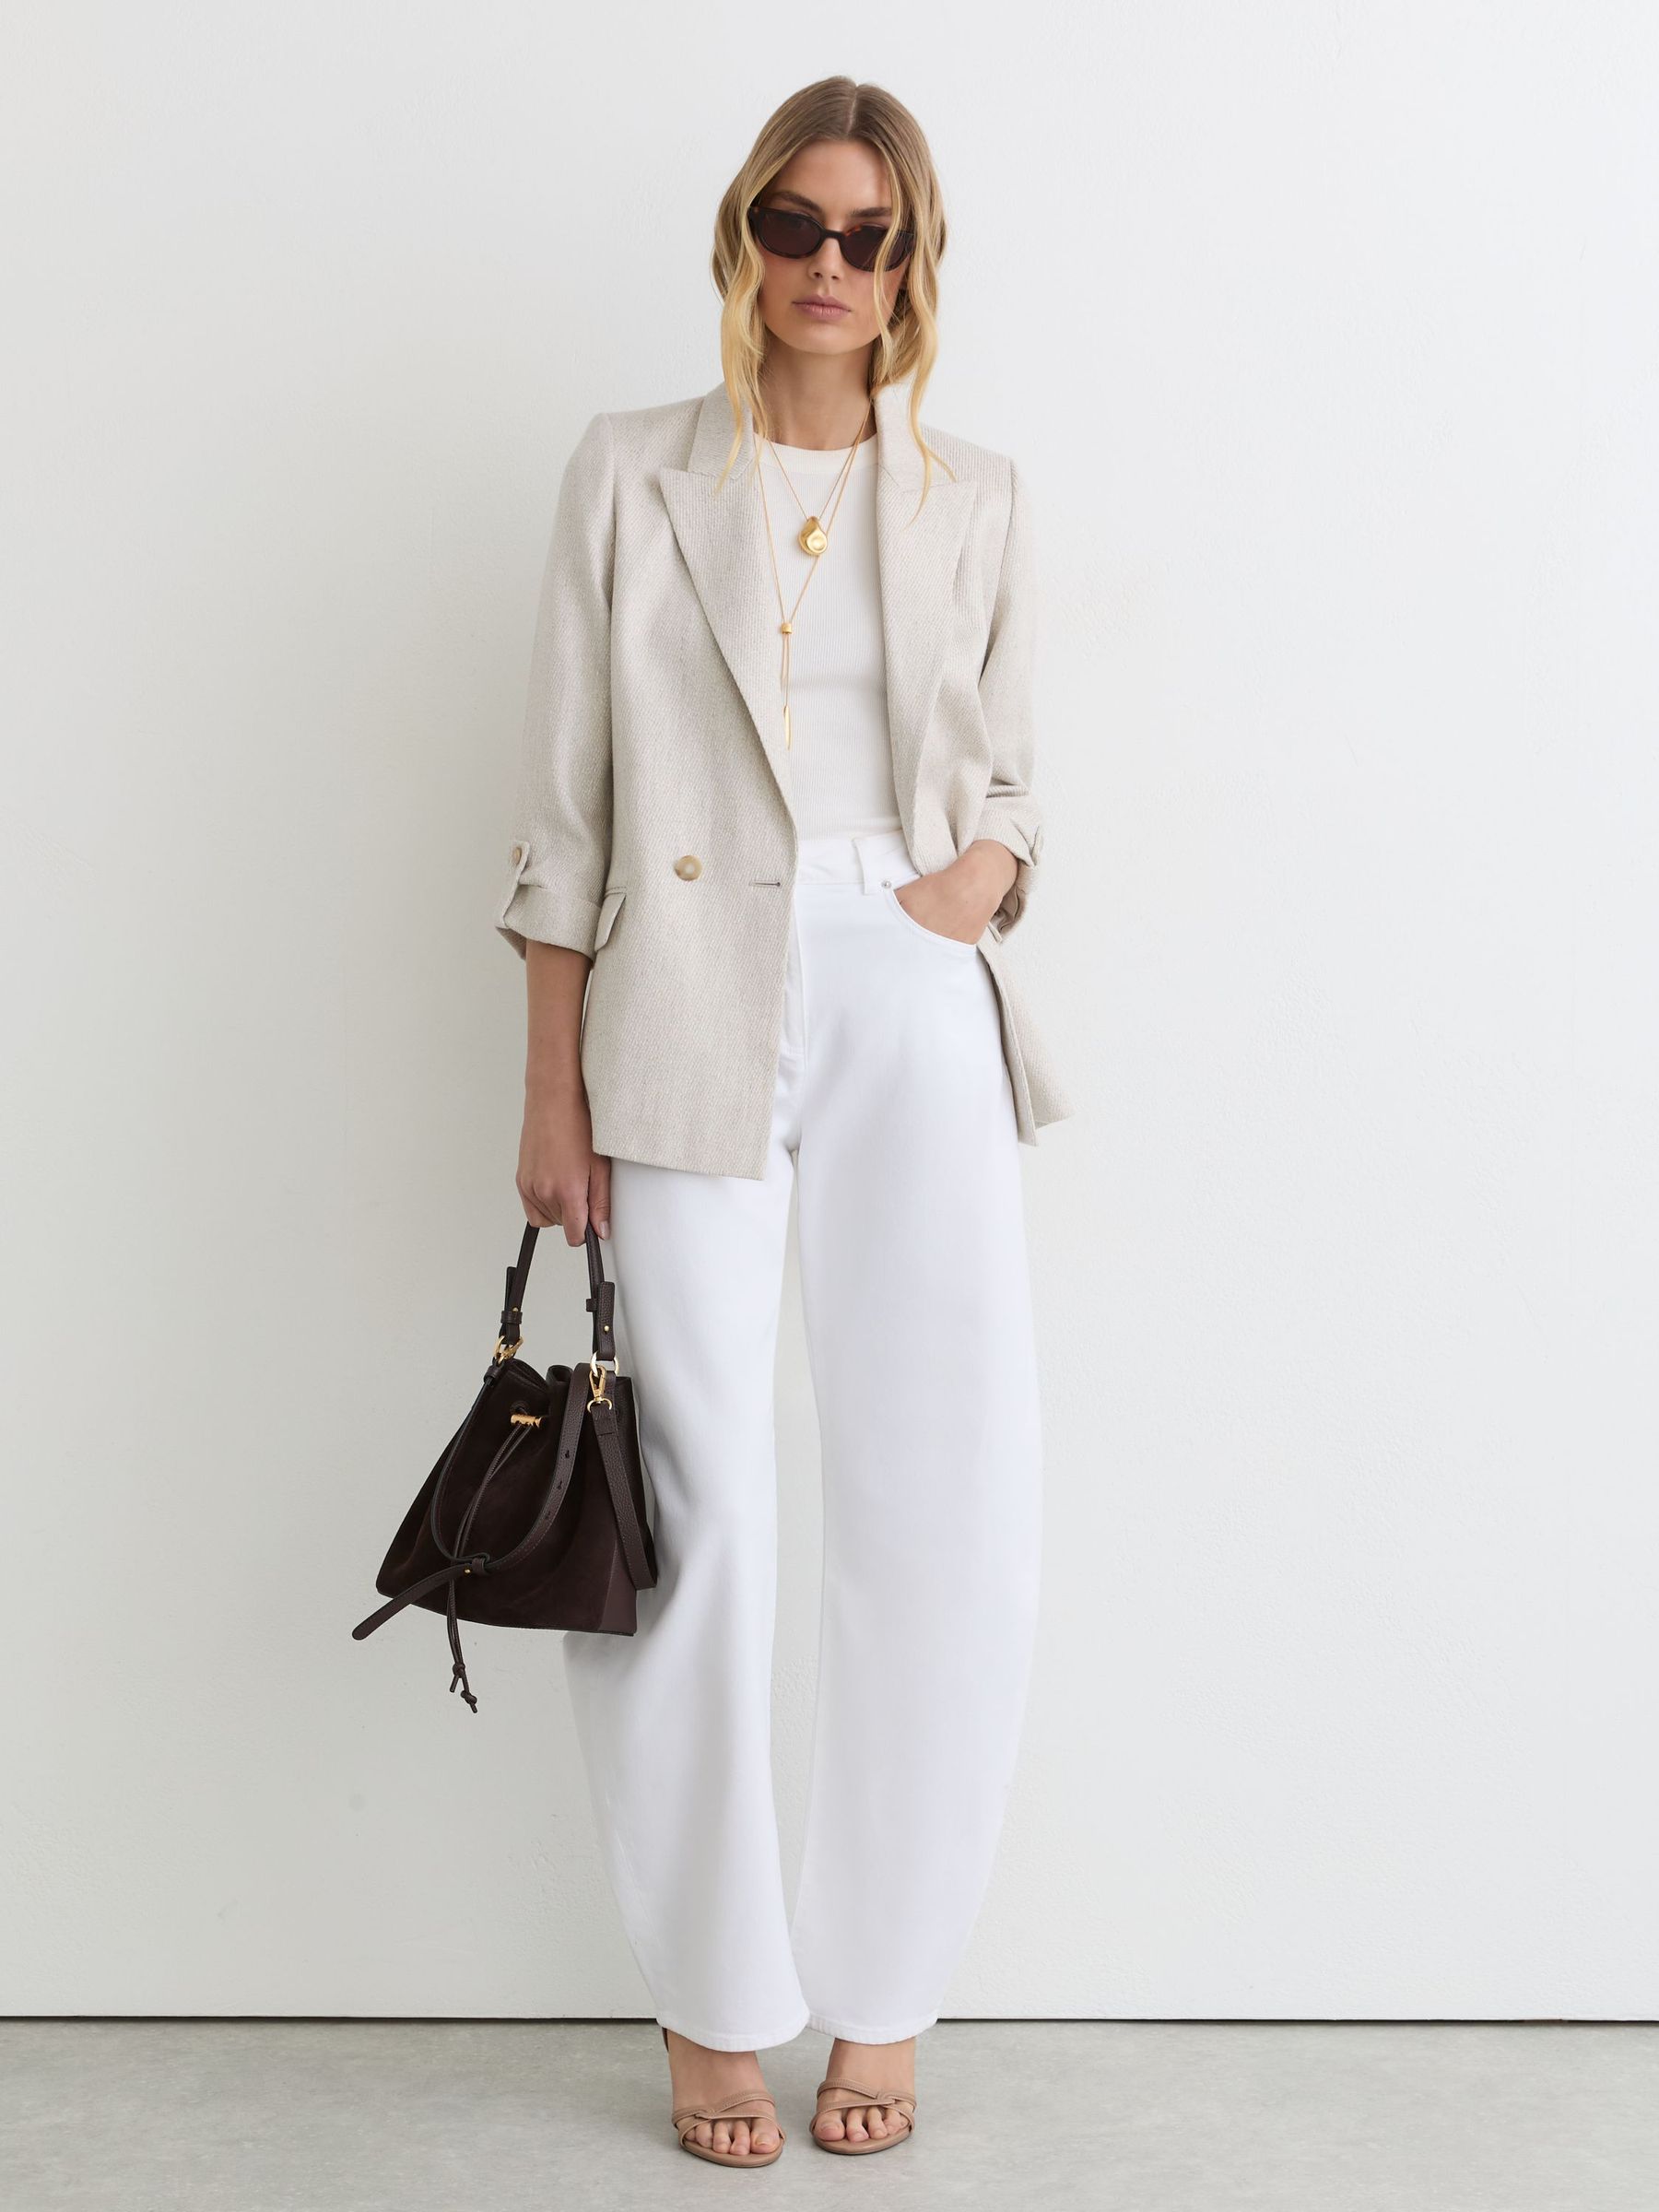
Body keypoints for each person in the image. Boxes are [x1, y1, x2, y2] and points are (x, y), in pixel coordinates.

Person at [495, 73, 1071, 2168]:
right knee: (701, 1508)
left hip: (908, 978)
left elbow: (1014, 773)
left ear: (913, 268)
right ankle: (715, 1998)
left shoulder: (978, 494)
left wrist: (973, 883)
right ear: (744, 235)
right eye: (796, 224)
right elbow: (566, 810)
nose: (830, 265)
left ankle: (887, 1984)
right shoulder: (632, 472)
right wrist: (550, 1086)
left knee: (945, 1487)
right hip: (684, 992)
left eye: (871, 235)